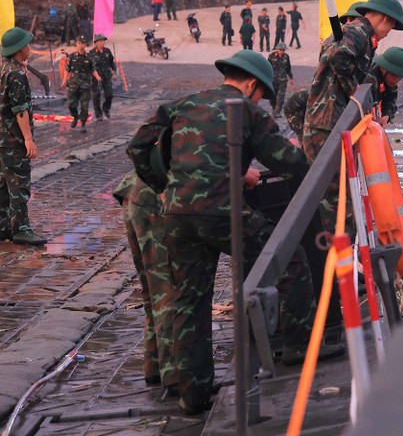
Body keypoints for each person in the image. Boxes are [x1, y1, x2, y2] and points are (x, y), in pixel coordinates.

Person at [127, 50, 316, 415]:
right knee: (290, 261)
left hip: (177, 216)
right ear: (250, 84)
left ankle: (194, 396)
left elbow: (137, 146)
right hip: (223, 213)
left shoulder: (185, 103)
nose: (260, 100)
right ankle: (299, 352)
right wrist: (315, 162)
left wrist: (164, 184)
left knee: (189, 301)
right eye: (261, 93)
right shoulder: (247, 110)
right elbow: (287, 162)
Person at [302, 0, 403, 161]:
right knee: (332, 183)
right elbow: (337, 56)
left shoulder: (360, 34)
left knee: (336, 182)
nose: (388, 33)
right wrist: (354, 91)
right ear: (385, 18)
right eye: (391, 27)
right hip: (327, 124)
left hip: (333, 122)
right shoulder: (358, 32)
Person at [113, 171, 173, 389]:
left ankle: (155, 365)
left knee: (152, 289)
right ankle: (174, 374)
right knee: (166, 288)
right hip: (157, 195)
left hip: (137, 190)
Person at [0, 28, 46, 245]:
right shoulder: (16, 74)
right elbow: (20, 110)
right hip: (14, 139)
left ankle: (4, 226)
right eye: (27, 44)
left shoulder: (4, 69)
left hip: (2, 138)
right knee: (19, 184)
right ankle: (21, 228)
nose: (30, 48)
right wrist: (28, 139)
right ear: (19, 49)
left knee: (3, 184)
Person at [367, 47, 403, 126]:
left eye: (400, 76)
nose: (397, 80)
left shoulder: (390, 80)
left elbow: (391, 98)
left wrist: (387, 115)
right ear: (383, 69)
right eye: (394, 75)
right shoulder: (369, 79)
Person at [63, 38, 96, 132]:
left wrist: (96, 78)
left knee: (84, 106)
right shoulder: (72, 56)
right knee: (70, 104)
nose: (81, 45)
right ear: (76, 44)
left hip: (85, 86)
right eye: (79, 43)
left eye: (83, 43)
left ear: (85, 45)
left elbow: (93, 70)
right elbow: (67, 69)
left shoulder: (89, 57)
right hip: (73, 84)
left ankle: (83, 124)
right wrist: (64, 81)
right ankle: (75, 116)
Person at [90, 34, 116, 120]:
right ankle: (98, 114)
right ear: (96, 42)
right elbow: (90, 66)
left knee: (109, 94)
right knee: (96, 95)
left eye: (103, 40)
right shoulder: (92, 53)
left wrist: (113, 69)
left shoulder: (107, 51)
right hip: (96, 77)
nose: (102, 42)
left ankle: (106, 108)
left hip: (107, 76)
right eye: (100, 41)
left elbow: (112, 61)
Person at [268, 42, 293, 117]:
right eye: (281, 50)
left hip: (283, 80)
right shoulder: (271, 56)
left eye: (283, 50)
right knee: (272, 96)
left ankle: (277, 112)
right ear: (277, 49)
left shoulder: (286, 57)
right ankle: (274, 108)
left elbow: (288, 67)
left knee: (281, 97)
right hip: (273, 80)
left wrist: (291, 77)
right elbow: (268, 67)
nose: (282, 51)